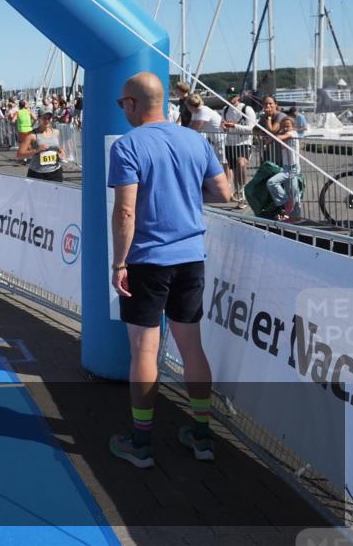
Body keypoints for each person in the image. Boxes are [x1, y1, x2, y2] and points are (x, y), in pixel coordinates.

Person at [107, 72, 231, 468]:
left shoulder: (128, 145)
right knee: (191, 347)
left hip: (147, 260)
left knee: (144, 349)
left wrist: (119, 262)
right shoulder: (195, 139)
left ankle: (141, 443)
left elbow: (126, 211)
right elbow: (223, 193)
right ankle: (202, 436)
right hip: (191, 256)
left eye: (121, 104)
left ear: (130, 104)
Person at [221, 93, 257, 207]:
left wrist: (234, 126)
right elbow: (222, 126)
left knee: (241, 163)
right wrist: (223, 126)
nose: (230, 98)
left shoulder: (247, 109)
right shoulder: (225, 109)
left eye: (233, 96)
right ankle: (240, 194)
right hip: (230, 144)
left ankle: (243, 193)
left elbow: (252, 128)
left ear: (238, 97)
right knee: (236, 172)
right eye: (229, 96)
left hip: (244, 142)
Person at [266, 115, 302, 222]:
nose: (286, 128)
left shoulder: (293, 134)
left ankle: (286, 202)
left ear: (293, 127)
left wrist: (271, 138)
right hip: (287, 167)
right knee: (293, 192)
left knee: (272, 182)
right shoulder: (286, 135)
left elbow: (279, 138)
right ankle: (295, 216)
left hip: (293, 168)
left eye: (288, 126)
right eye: (284, 126)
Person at [17, 111, 65, 181]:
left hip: (55, 172)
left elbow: (59, 148)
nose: (47, 120)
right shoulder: (32, 135)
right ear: (39, 118)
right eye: (44, 118)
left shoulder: (56, 132)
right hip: (37, 173)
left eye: (49, 118)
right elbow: (19, 155)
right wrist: (36, 150)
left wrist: (61, 152)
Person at [256, 95, 283, 165]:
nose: (268, 106)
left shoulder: (281, 116)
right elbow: (254, 129)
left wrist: (268, 117)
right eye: (265, 104)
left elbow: (272, 130)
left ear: (275, 104)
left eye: (270, 103)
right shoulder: (263, 117)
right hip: (269, 153)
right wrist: (261, 132)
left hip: (281, 153)